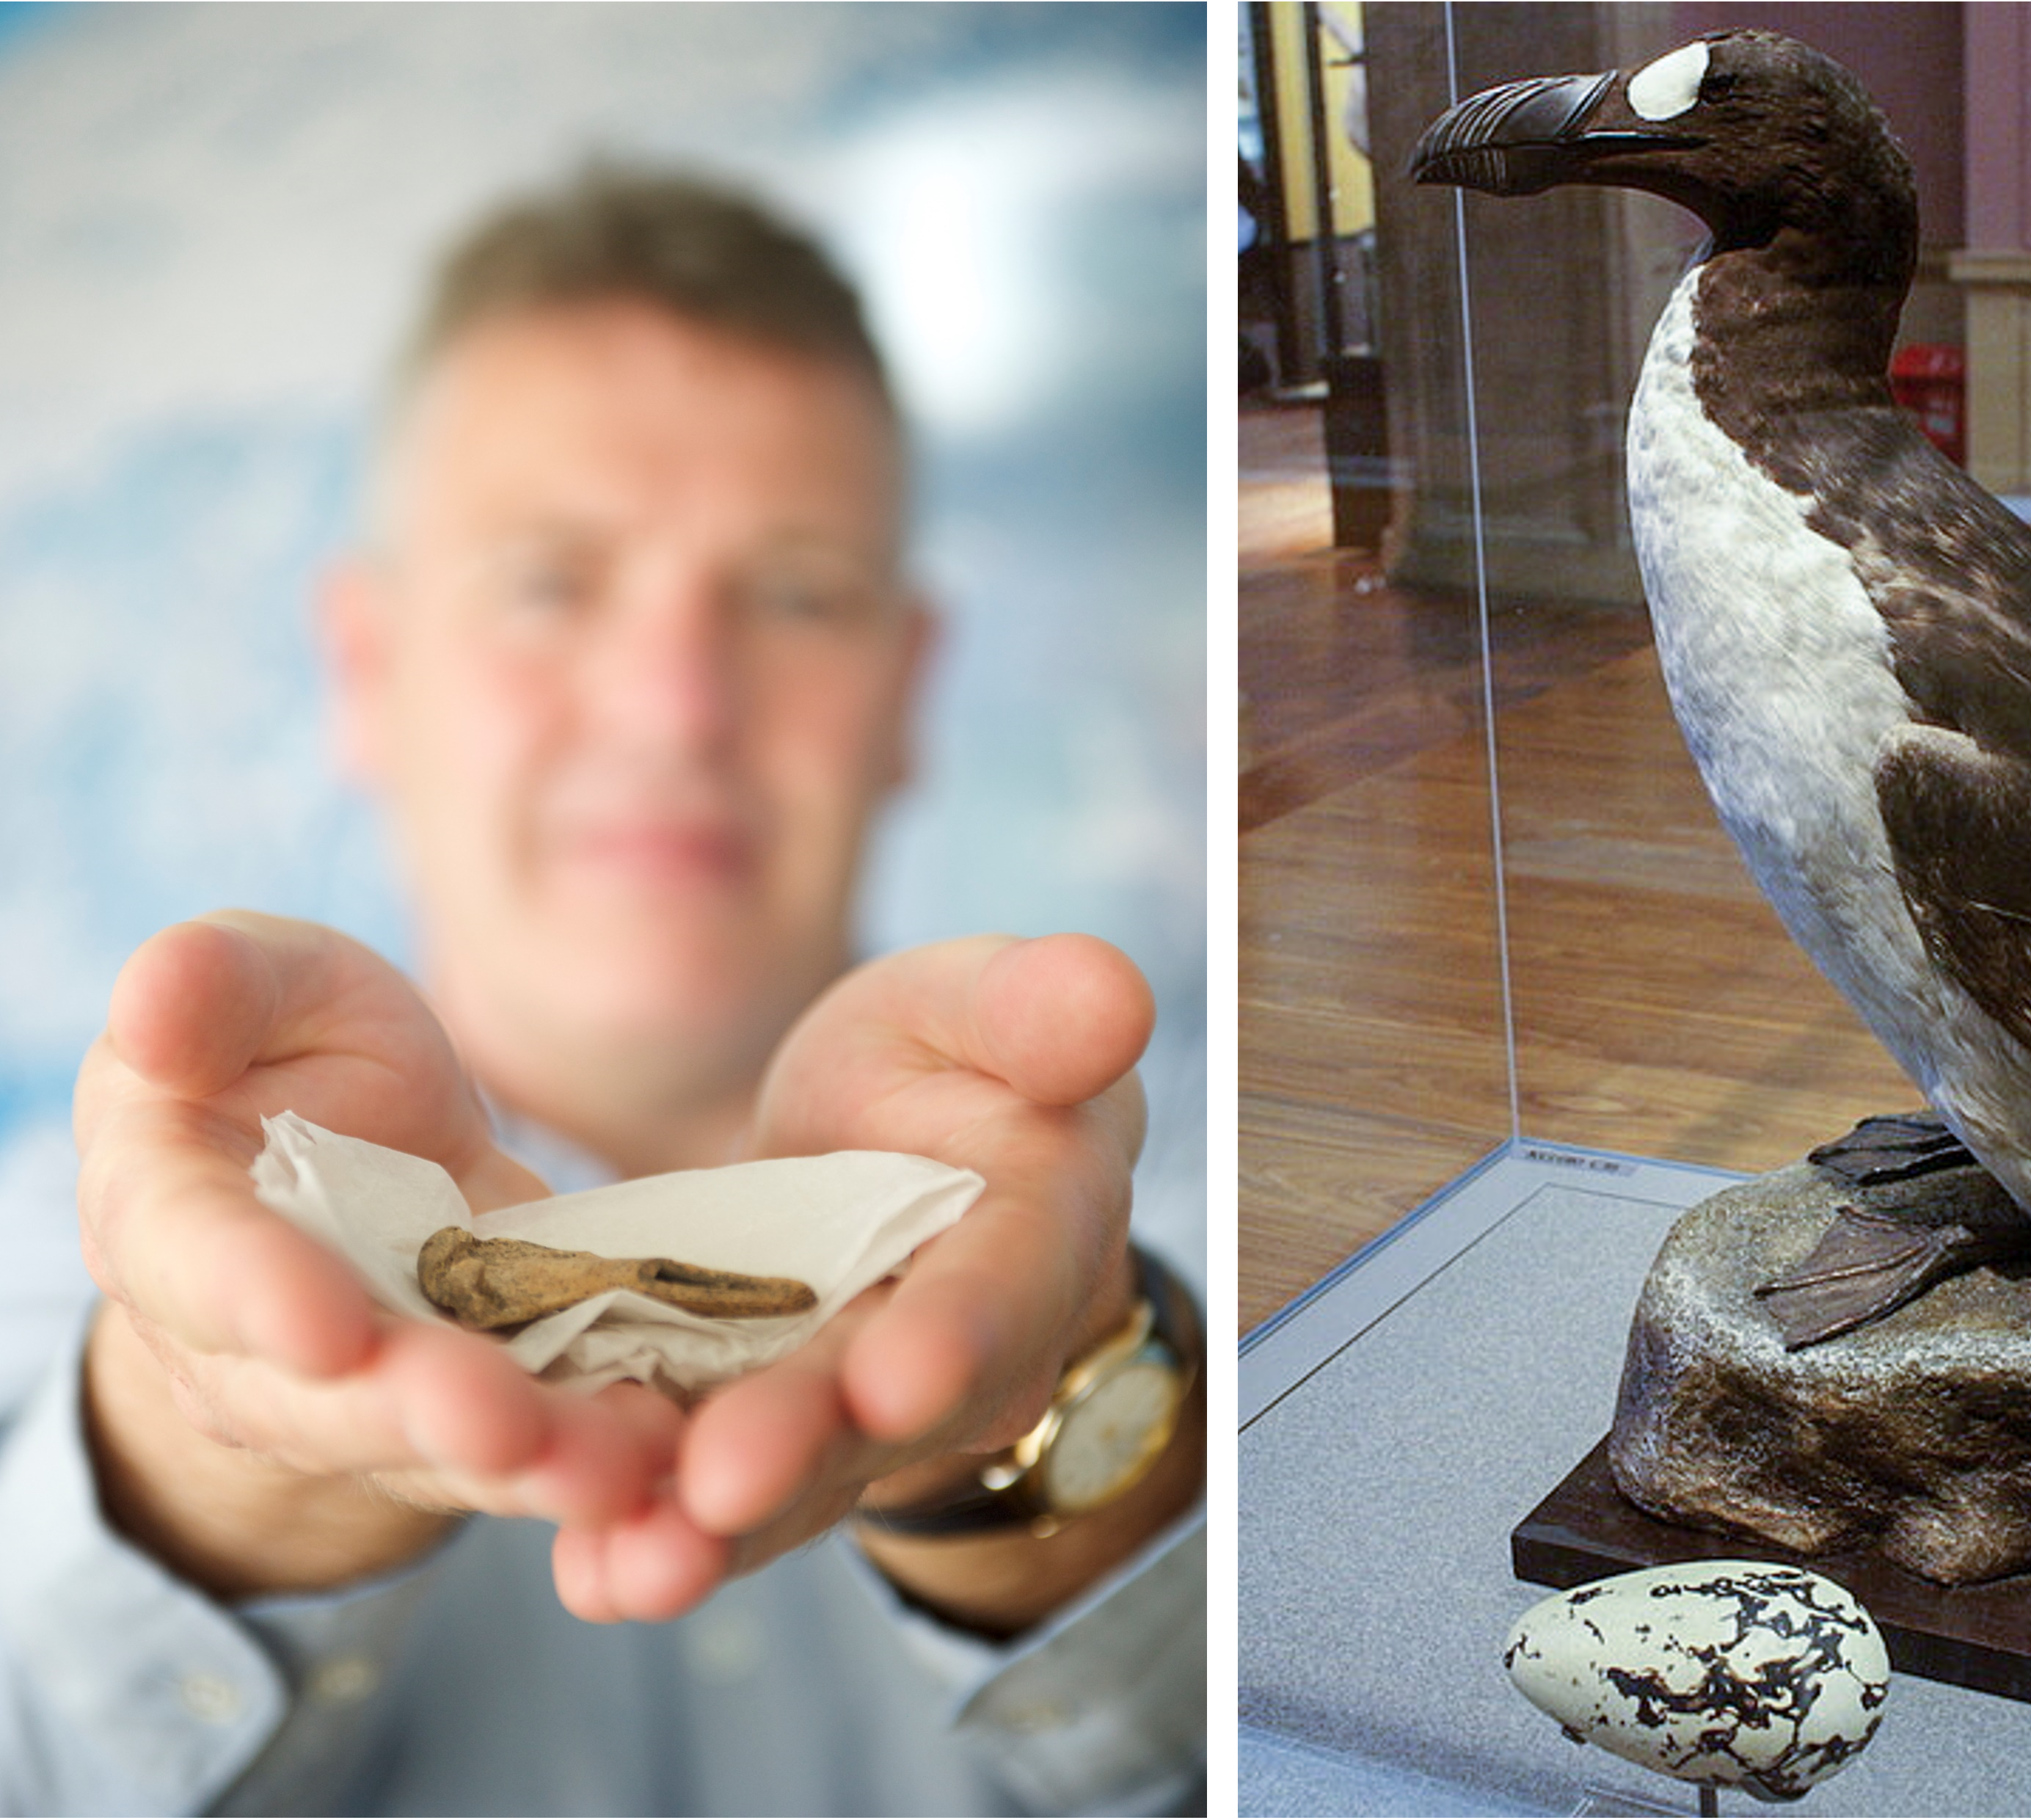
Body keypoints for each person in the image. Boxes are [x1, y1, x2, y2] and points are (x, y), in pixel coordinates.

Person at [0, 167, 1204, 1813]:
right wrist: (203, 1480)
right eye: (549, 581)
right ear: (366, 669)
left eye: (793, 593)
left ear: (907, 687)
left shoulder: (1176, 1207)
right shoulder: (60, 1276)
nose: (671, 703)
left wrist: (1061, 1420)